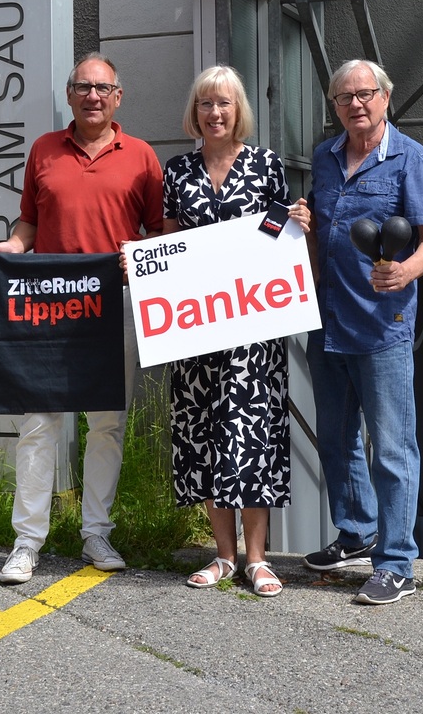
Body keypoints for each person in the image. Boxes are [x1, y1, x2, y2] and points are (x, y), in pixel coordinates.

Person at [0, 53, 163, 585]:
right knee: (40, 424)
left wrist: (141, 256)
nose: (92, 96)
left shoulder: (142, 157)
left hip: (113, 306)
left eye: (102, 88)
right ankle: (26, 542)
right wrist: (12, 248)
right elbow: (29, 223)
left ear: (118, 97)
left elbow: (159, 230)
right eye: (83, 87)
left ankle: (96, 533)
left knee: (107, 423)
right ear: (69, 95)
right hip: (51, 307)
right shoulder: (44, 149)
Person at [295, 59, 423, 605]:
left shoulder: (411, 158)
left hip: (383, 325)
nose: (355, 104)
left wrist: (406, 271)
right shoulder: (325, 158)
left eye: (365, 94)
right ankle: (356, 532)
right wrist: (305, 230)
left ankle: (397, 563)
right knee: (336, 439)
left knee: (392, 448)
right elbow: (324, 242)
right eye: (344, 97)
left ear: (385, 97)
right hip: (328, 319)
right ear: (334, 106)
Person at [161, 66, 300, 598]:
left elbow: (277, 237)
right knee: (204, 434)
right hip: (196, 328)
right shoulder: (177, 171)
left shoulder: (266, 165)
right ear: (194, 112)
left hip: (252, 330)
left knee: (252, 436)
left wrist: (296, 224)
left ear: (238, 109)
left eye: (223, 103)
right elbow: (170, 244)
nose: (214, 113)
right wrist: (143, 262)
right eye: (205, 104)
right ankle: (223, 555)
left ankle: (257, 560)